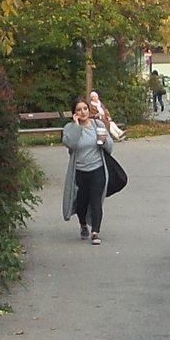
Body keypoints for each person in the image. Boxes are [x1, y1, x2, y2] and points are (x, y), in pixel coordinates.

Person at [60, 98, 110, 244]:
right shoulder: (69, 128)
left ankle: (95, 232)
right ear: (74, 113)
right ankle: (83, 224)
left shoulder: (97, 125)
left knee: (96, 200)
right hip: (80, 171)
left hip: (97, 168)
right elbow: (70, 144)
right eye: (79, 110)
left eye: (85, 109)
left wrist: (104, 140)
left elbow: (110, 147)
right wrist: (76, 126)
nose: (83, 112)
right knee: (81, 202)